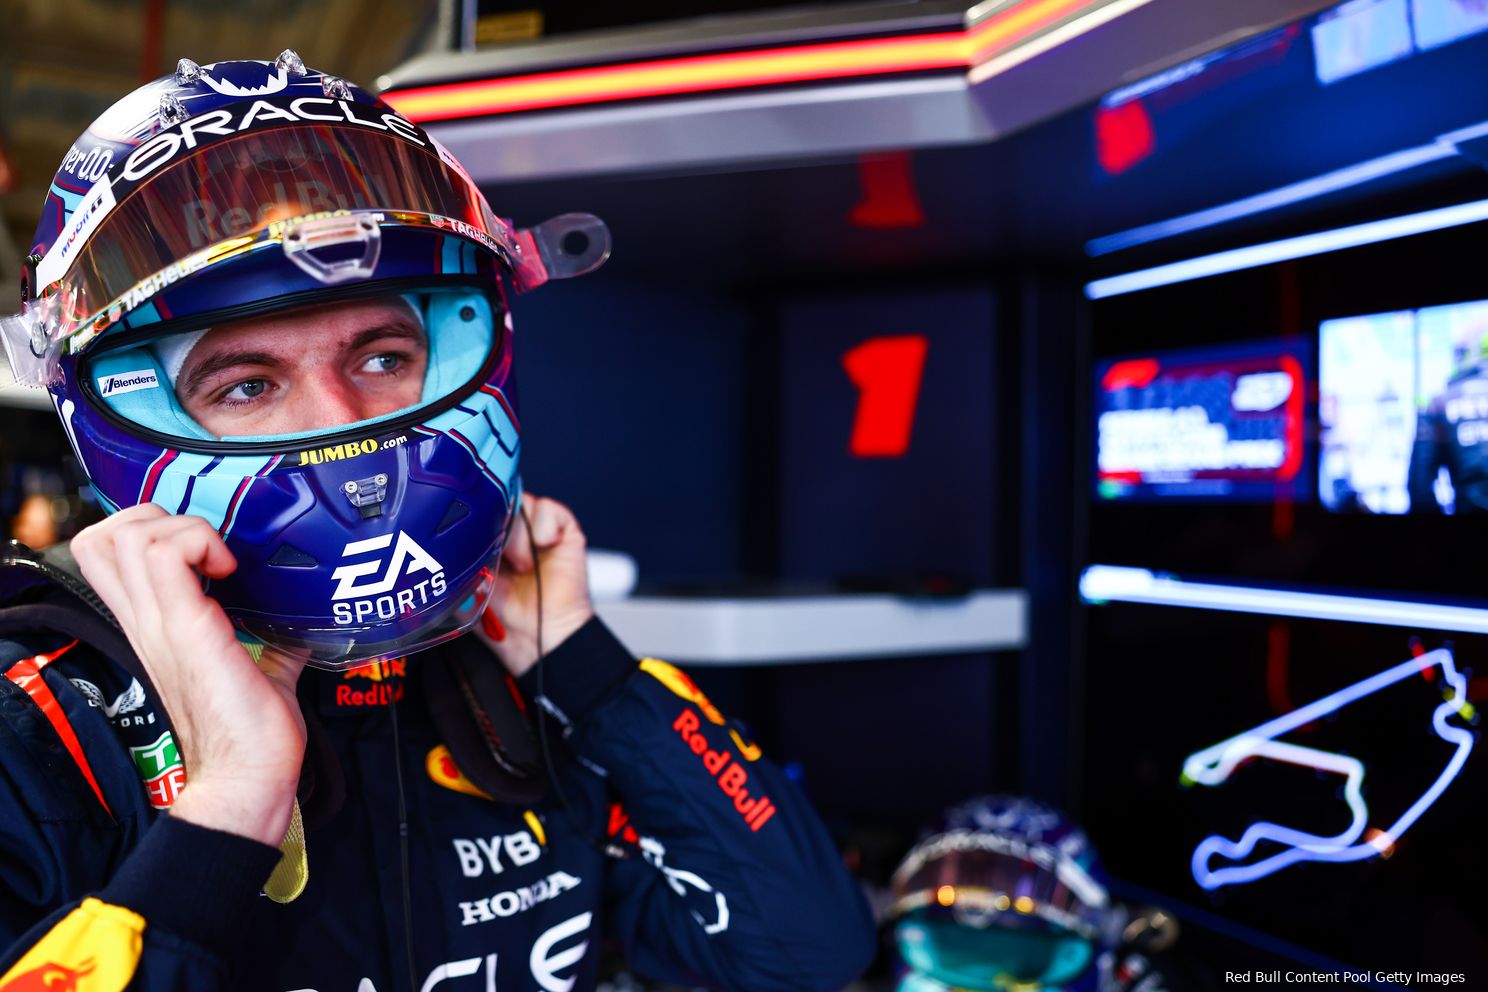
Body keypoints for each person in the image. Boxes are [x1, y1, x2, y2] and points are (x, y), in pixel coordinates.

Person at [0, 54, 874, 992]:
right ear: (126, 419)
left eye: (381, 356)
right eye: (249, 385)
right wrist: (230, 804)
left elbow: (802, 953)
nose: (339, 420)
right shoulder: (38, 732)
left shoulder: (522, 690)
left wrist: (577, 658)